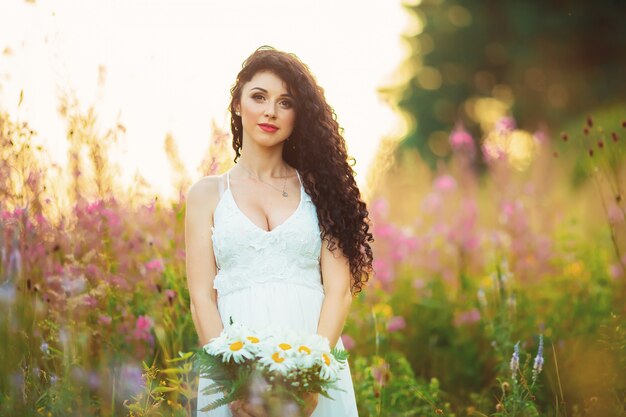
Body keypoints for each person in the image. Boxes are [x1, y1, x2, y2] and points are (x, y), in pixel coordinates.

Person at [185, 46, 374, 417]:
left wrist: (311, 380)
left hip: (312, 368)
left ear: (297, 116)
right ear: (238, 104)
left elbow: (338, 292)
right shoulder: (206, 194)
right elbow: (201, 299)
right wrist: (234, 385)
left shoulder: (322, 190)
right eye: (259, 97)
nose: (270, 111)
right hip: (233, 374)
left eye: (285, 102)